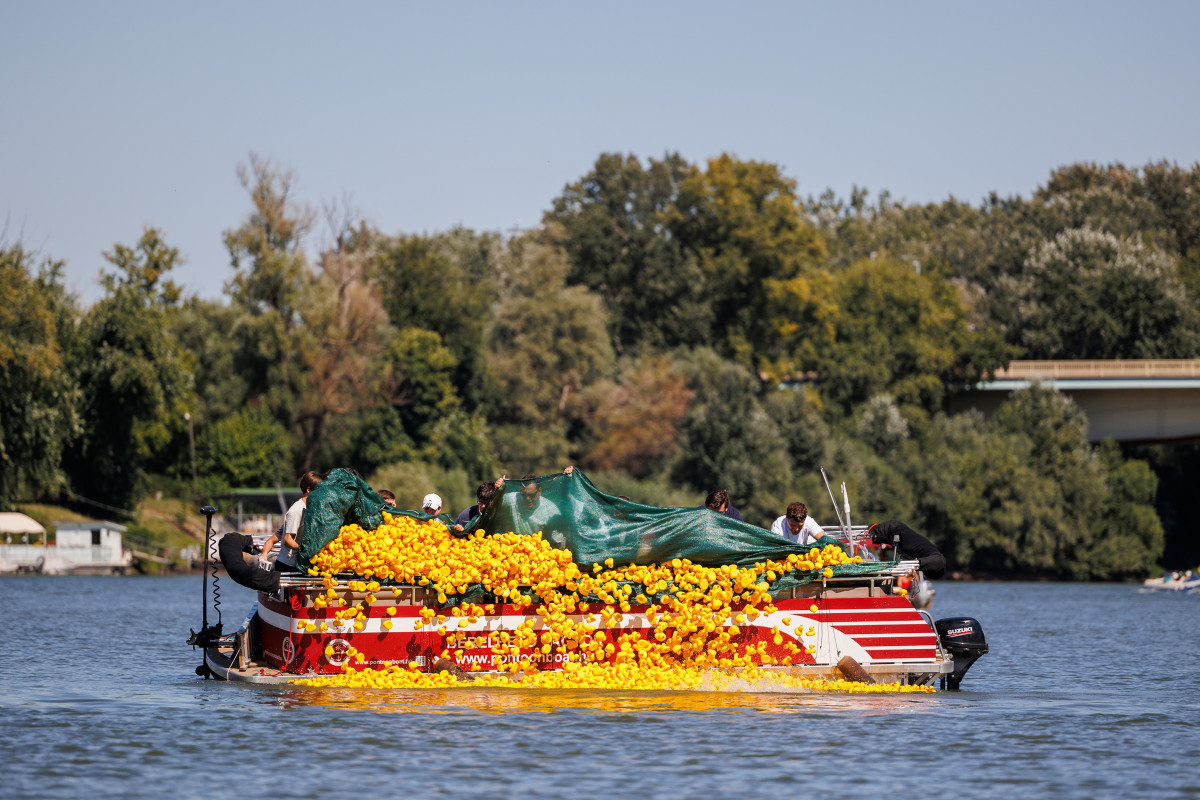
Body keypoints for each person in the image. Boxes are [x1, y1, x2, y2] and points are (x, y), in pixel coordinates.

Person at [259, 471, 323, 573]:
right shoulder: (296, 510)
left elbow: (273, 539)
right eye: (319, 490)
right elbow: (287, 540)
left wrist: (264, 553)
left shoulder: (312, 510)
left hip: (300, 564)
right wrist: (306, 549)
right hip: (287, 566)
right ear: (309, 490)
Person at [868, 520, 946, 579]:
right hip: (893, 529)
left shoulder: (927, 554)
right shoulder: (937, 558)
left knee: (870, 535)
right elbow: (940, 561)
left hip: (894, 532)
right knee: (867, 532)